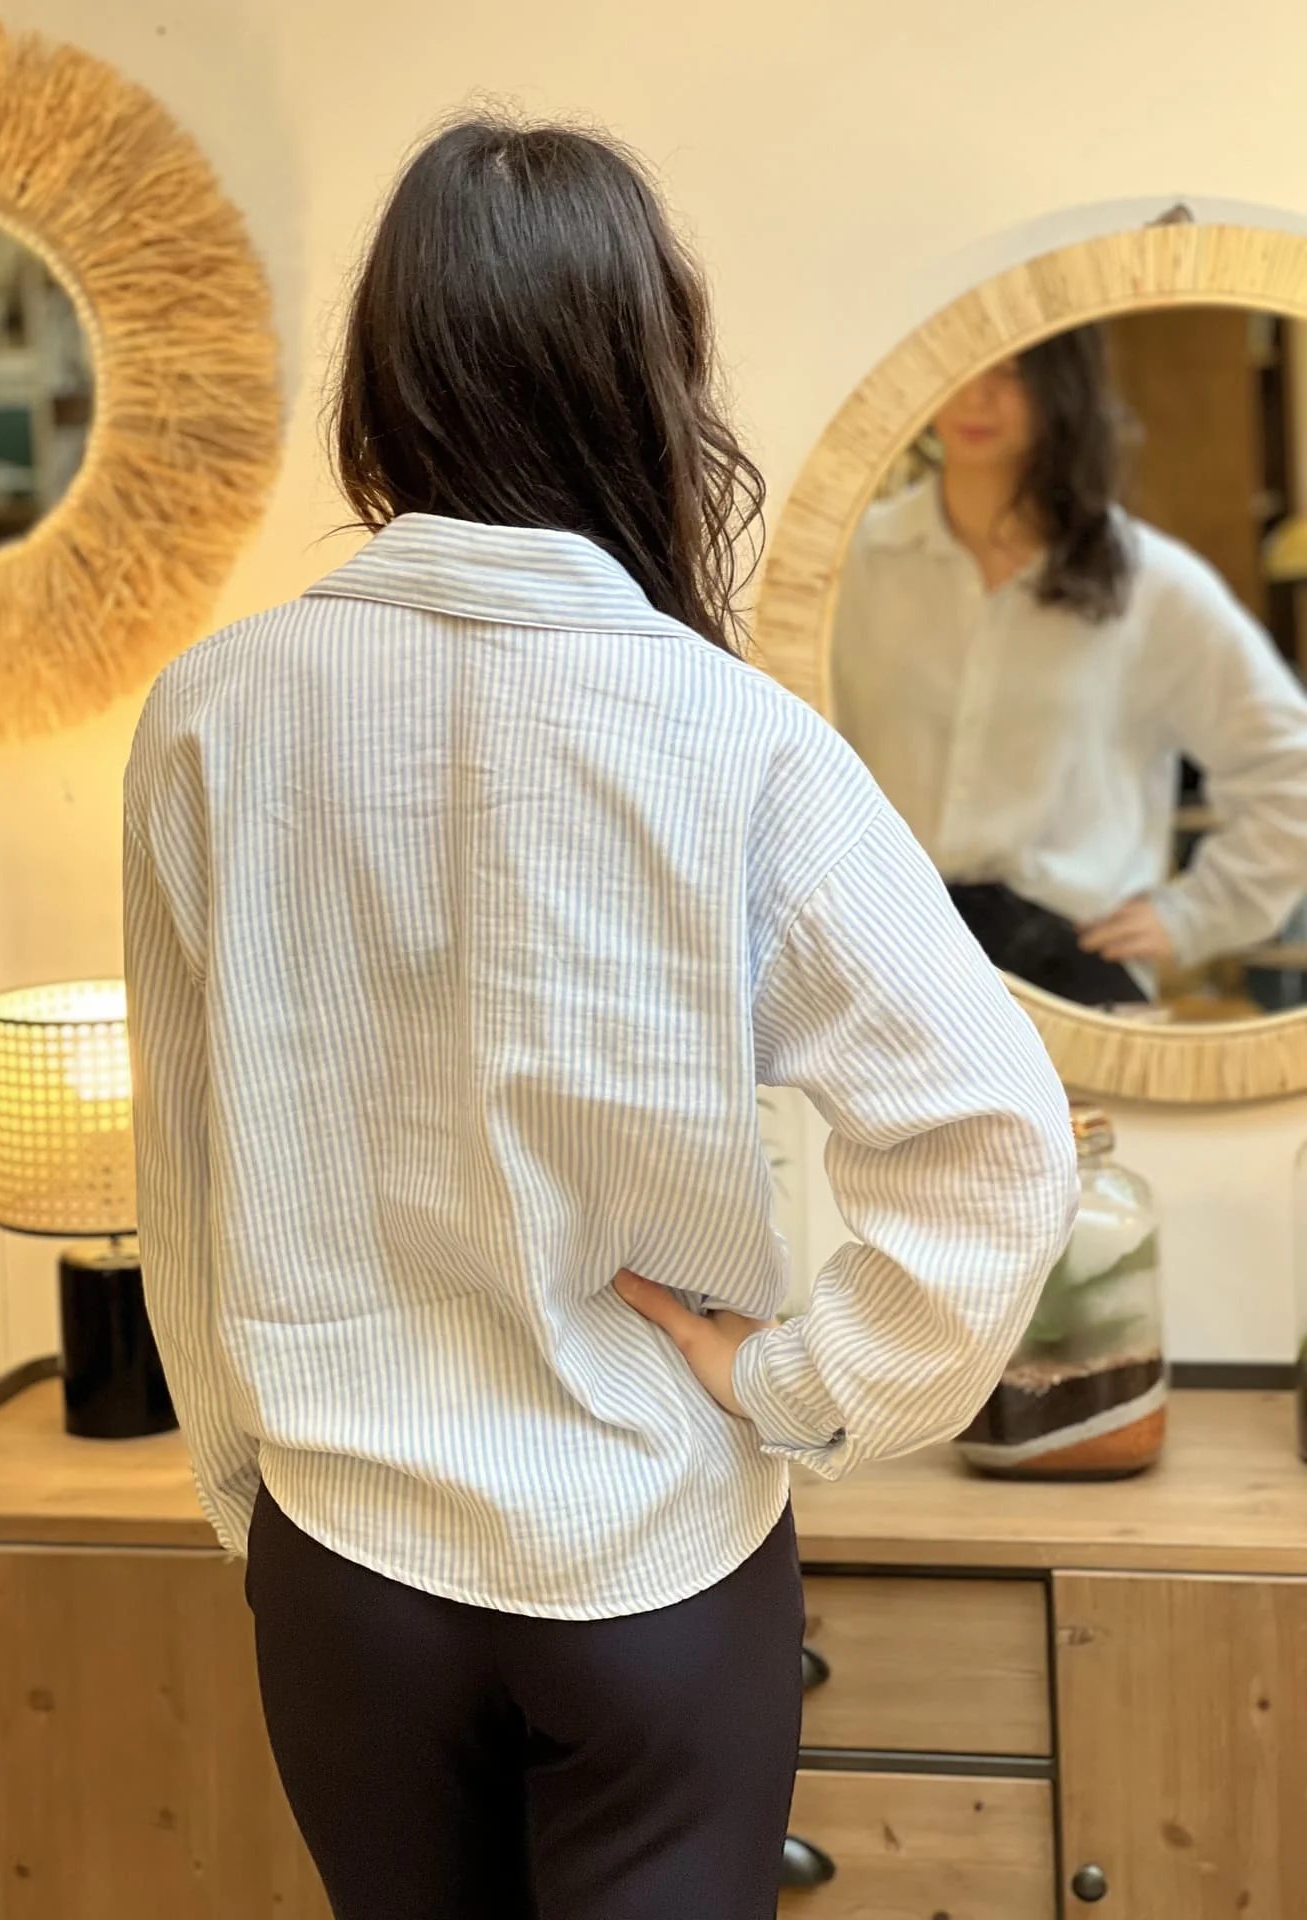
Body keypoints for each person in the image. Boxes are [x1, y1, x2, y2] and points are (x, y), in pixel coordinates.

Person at [123, 118, 1078, 1920]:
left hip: (345, 1569)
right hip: (650, 1566)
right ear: (646, 381)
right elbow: (997, 1144)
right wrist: (799, 1385)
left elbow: (185, 1164)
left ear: (385, 385)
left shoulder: (210, 714)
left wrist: (251, 1493)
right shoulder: (738, 741)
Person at [831, 326, 1307, 1007]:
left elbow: (1291, 768)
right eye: (965, 365)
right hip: (886, 963)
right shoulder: (852, 567)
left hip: (1078, 984)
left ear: (1061, 383)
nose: (977, 397)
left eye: (1011, 372)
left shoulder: (1151, 585)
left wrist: (1192, 917)